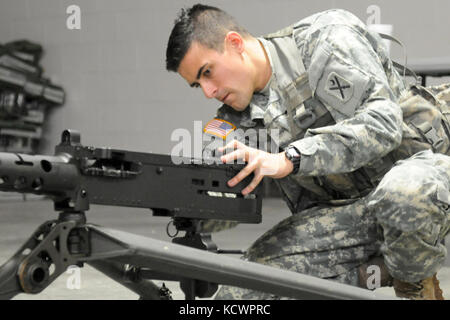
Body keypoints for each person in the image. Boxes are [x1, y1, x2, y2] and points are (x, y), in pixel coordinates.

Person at [165, 4, 450, 299]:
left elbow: (383, 124)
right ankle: (383, 268)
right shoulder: (232, 122)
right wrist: (187, 204)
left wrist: (290, 159)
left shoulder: (325, 39)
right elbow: (229, 202)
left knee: (403, 193)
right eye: (198, 84)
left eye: (208, 72)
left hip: (428, 176)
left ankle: (413, 281)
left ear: (235, 43)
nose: (209, 91)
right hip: (353, 215)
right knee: (239, 297)